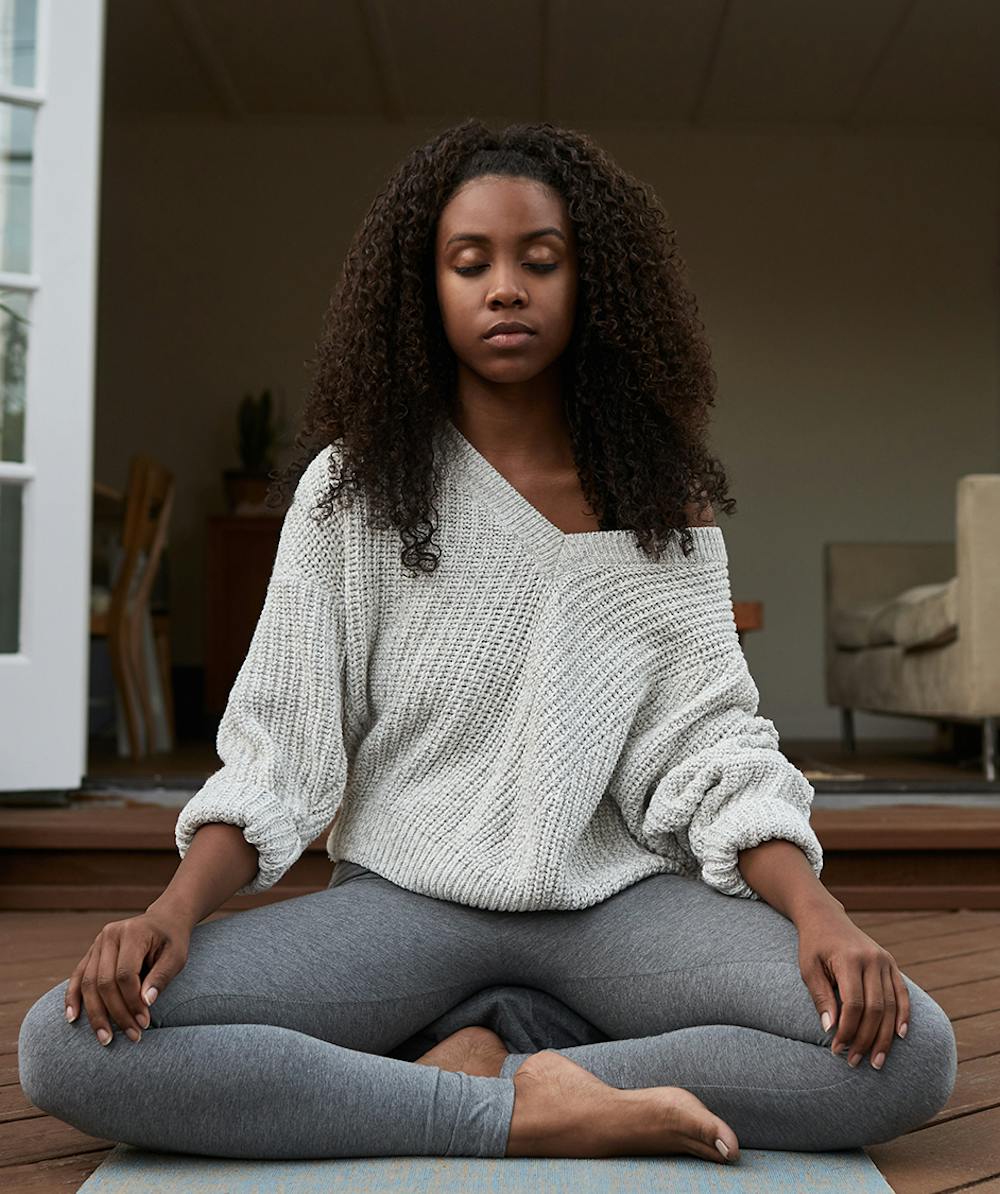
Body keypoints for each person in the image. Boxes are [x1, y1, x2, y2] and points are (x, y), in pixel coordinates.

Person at [18, 118, 957, 1166]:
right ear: (424, 292)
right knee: (69, 1046)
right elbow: (277, 759)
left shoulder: (659, 505)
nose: (504, 287)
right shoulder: (353, 493)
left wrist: (818, 914)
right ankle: (522, 1105)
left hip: (615, 908)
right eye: (470, 263)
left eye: (538, 261)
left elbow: (714, 753)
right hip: (400, 911)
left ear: (590, 284)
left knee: (909, 1052)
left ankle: (497, 1072)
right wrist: (169, 912)